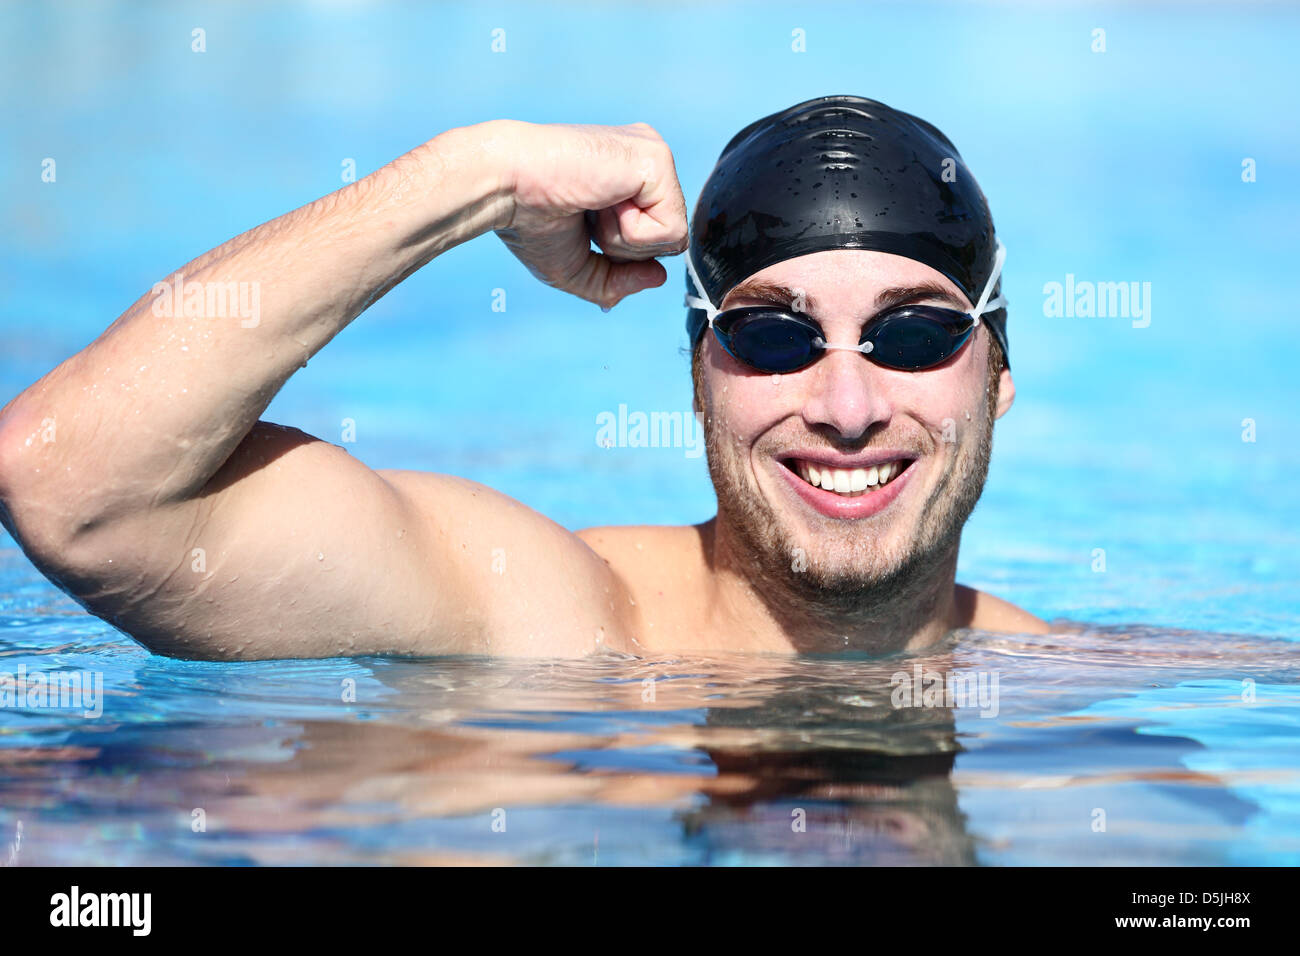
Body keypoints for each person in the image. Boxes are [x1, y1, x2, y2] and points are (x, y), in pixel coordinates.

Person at [0, 95, 1049, 660]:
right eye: (773, 339)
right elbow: (75, 488)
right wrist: (479, 175)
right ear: (698, 376)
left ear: (996, 375)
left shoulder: (1086, 697)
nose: (847, 406)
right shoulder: (539, 622)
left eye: (912, 336)